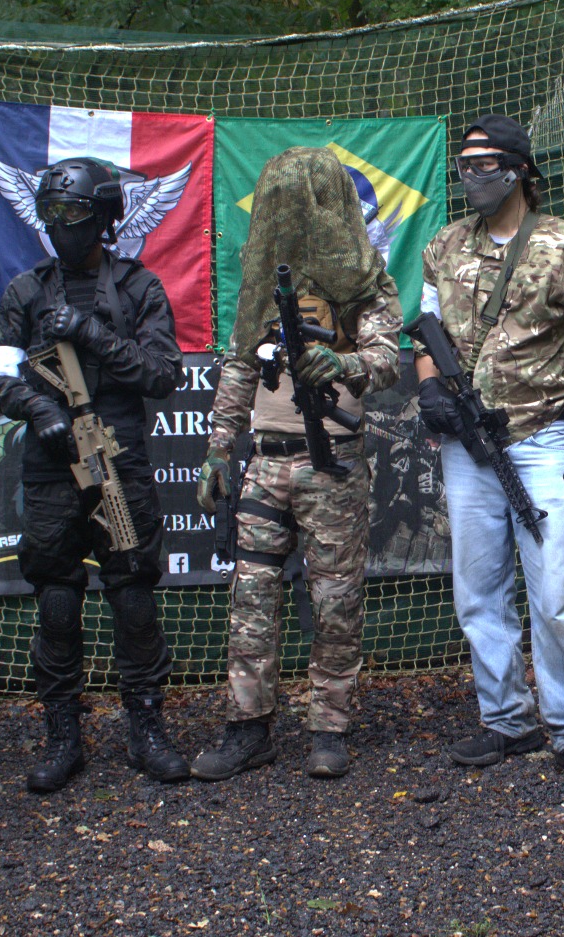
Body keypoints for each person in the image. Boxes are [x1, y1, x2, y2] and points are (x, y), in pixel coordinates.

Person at [415, 114, 564, 783]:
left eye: (485, 165)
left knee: (558, 590)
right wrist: (430, 389)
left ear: (519, 171)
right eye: (464, 166)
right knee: (478, 592)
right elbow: (426, 331)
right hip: (467, 445)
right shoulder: (444, 246)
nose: (472, 177)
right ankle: (506, 719)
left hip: (542, 438)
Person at [191, 147, 401, 781]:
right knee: (251, 598)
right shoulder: (263, 283)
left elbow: (386, 359)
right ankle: (248, 726)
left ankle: (328, 728)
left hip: (331, 462)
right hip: (265, 461)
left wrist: (343, 363)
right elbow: (239, 363)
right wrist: (219, 448)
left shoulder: (365, 282)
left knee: (335, 602)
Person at [0, 157, 188, 793]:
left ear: (103, 217)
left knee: (132, 593)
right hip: (51, 467)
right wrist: (38, 408)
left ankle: (146, 728)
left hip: (116, 461)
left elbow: (163, 375)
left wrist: (92, 334)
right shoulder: (25, 291)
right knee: (56, 596)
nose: (60, 225)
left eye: (73, 212)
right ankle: (62, 735)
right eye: (49, 213)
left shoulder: (137, 288)